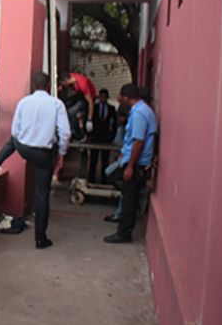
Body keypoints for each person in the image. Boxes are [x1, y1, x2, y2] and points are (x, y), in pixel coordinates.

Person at [0, 73, 71, 249]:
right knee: (42, 195)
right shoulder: (56, 104)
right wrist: (61, 155)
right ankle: (40, 239)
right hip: (42, 156)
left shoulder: (23, 102)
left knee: (12, 142)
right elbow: (66, 133)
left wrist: (25, 140)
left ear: (33, 85)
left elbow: (15, 130)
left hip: (24, 148)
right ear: (47, 86)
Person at [104, 84, 157, 243]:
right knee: (116, 181)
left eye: (121, 97)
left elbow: (138, 142)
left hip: (137, 162)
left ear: (127, 98)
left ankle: (124, 233)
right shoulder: (141, 111)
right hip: (132, 159)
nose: (120, 100)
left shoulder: (139, 113)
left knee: (128, 198)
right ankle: (136, 198)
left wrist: (130, 166)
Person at [88, 88, 116, 183]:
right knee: (93, 159)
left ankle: (104, 179)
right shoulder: (94, 108)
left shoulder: (111, 109)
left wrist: (112, 136)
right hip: (95, 136)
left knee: (105, 160)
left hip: (106, 137)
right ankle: (91, 179)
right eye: (101, 97)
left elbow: (114, 123)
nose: (102, 99)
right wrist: (89, 134)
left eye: (104, 97)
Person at [59, 72, 97, 141]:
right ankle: (70, 129)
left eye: (63, 84)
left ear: (66, 81)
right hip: (80, 95)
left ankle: (78, 134)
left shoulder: (82, 84)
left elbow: (90, 101)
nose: (63, 87)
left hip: (88, 98)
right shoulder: (71, 77)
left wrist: (89, 119)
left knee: (72, 112)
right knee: (65, 104)